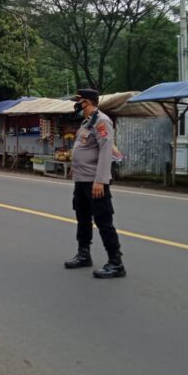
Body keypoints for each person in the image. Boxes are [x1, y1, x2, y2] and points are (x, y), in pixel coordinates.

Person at [64, 88, 126, 279]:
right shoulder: (87, 122)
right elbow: (84, 147)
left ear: (88, 102)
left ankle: (116, 263)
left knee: (103, 221)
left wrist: (100, 180)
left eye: (79, 101)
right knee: (83, 219)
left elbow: (106, 151)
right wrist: (75, 166)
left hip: (95, 181)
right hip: (82, 180)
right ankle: (84, 254)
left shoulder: (102, 121)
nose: (77, 104)